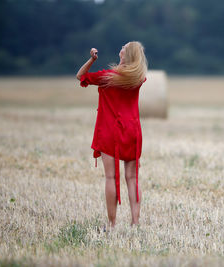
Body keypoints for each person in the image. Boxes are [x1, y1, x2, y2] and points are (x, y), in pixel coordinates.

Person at [76, 41, 147, 228]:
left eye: (124, 47)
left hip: (110, 132)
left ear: (126, 54)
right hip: (132, 131)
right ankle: (135, 222)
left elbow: (80, 76)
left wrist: (92, 60)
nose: (121, 47)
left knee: (111, 178)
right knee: (132, 178)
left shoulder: (108, 76)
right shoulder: (138, 78)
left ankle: (112, 224)